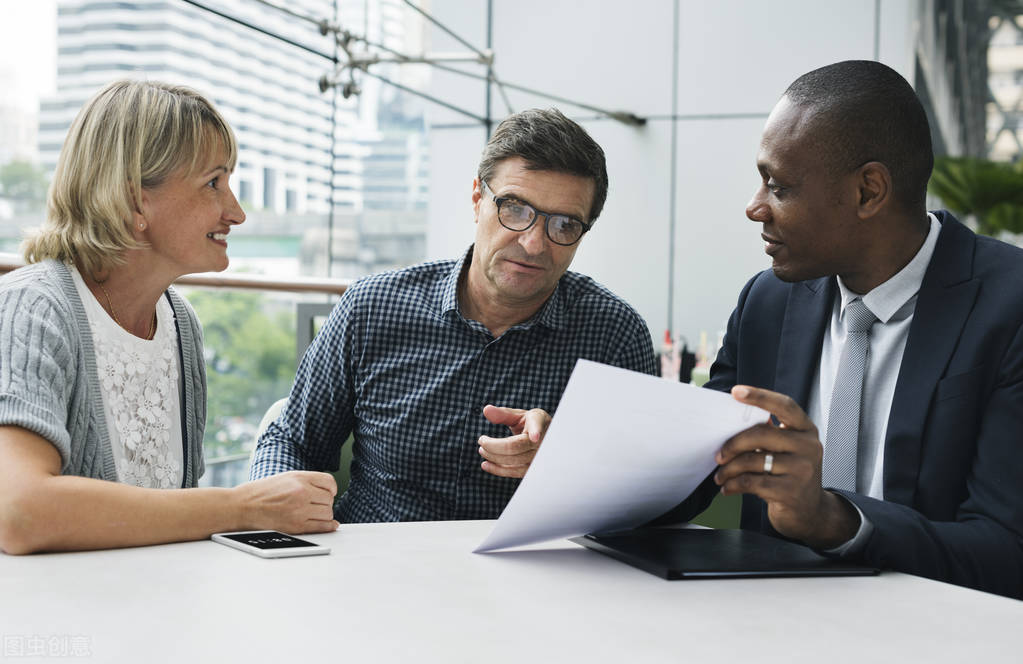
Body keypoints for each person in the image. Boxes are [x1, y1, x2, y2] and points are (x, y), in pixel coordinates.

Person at [667, 60, 1022, 599]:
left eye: (778, 186)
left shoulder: (1009, 308)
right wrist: (579, 460)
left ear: (868, 191)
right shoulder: (766, 302)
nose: (754, 207)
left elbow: (1007, 552)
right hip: (764, 622)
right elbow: (692, 471)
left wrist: (832, 519)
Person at [250, 108, 656, 522]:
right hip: (376, 554)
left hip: (531, 561)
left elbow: (649, 490)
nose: (534, 244)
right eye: (515, 209)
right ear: (478, 199)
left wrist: (570, 459)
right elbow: (291, 442)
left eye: (565, 225)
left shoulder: (614, 334)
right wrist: (276, 525)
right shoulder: (372, 307)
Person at [0, 80, 338, 554]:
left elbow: (177, 517)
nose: (236, 212)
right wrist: (243, 508)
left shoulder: (179, 322)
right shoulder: (34, 309)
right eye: (213, 183)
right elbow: (20, 512)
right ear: (135, 199)